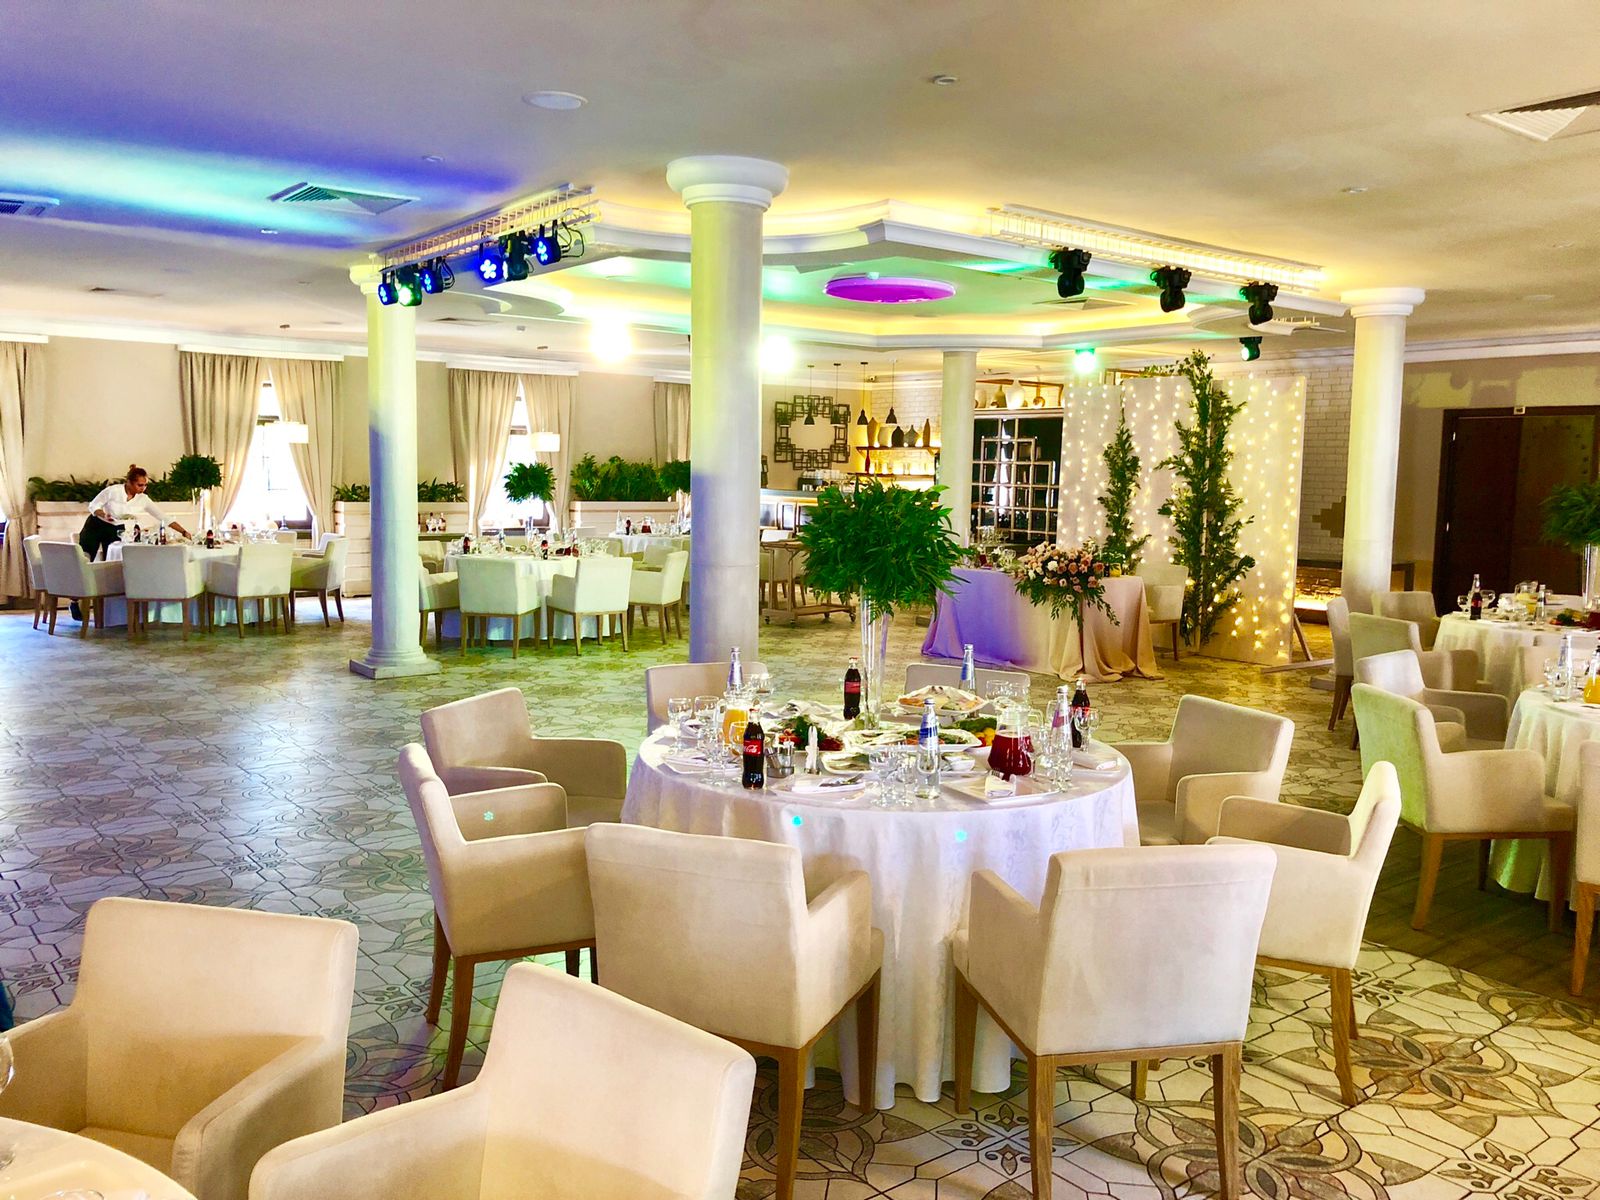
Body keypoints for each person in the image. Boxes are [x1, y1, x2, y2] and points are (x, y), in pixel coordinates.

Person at [73, 465, 191, 620]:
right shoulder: (113, 491)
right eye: (139, 485)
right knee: (84, 560)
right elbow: (93, 505)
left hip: (116, 528)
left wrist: (183, 531)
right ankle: (75, 601)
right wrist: (103, 514)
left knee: (113, 565)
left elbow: (163, 517)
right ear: (129, 482)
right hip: (96, 524)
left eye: (145, 485)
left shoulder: (143, 499)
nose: (143, 488)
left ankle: (112, 609)